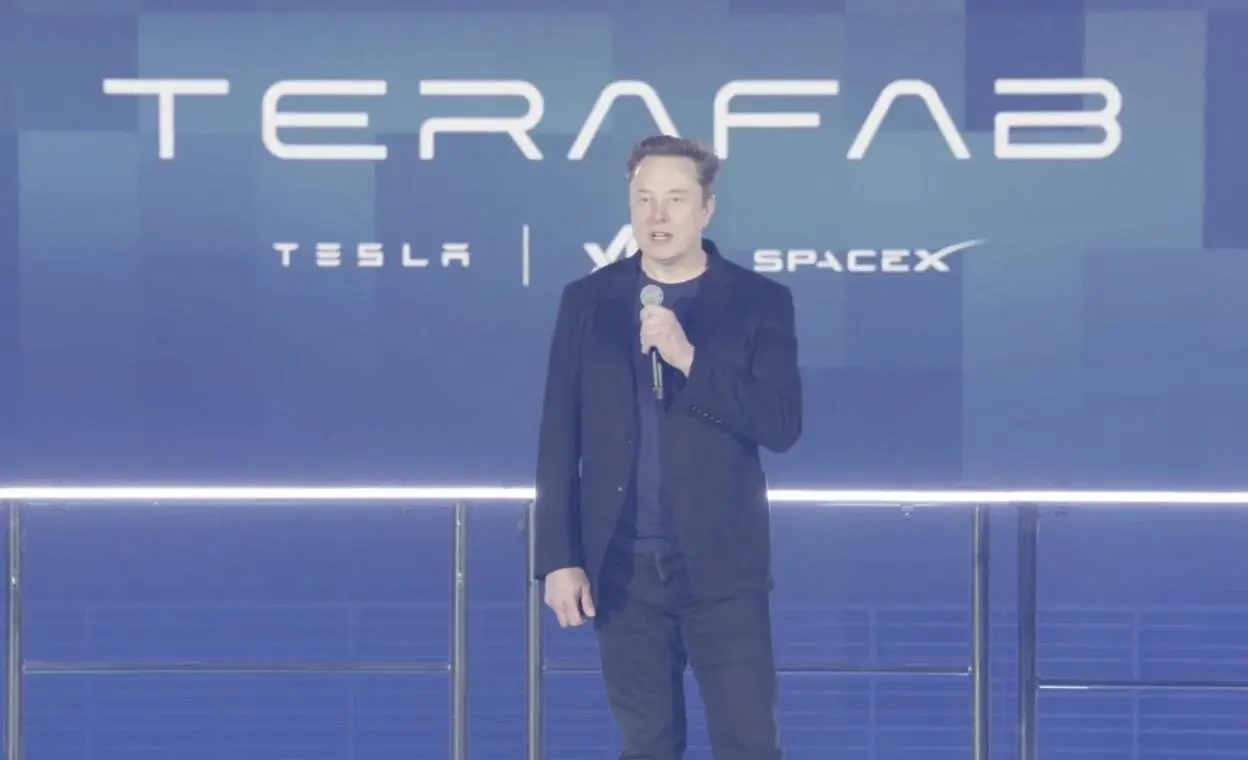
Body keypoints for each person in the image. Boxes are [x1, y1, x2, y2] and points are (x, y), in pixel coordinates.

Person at [533, 134, 803, 760]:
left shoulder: (760, 302)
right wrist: (558, 558)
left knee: (749, 742)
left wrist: (689, 359)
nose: (657, 215)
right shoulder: (588, 301)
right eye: (644, 199)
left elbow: (781, 424)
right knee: (646, 744)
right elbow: (557, 435)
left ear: (705, 208)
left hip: (721, 569)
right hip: (622, 569)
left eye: (675, 199)